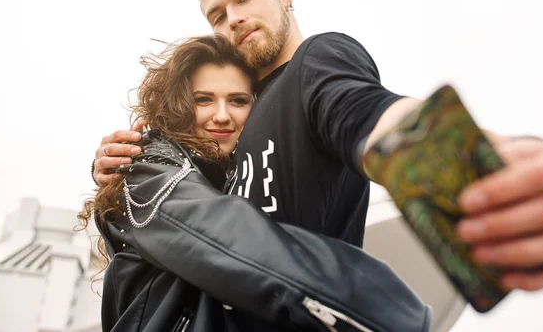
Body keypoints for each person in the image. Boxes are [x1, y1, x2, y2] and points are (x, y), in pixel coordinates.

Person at [93, 0, 543, 306]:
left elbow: (371, 114)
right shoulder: (237, 120)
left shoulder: (316, 62)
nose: (233, 20)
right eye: (217, 16)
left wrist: (497, 165)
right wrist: (114, 166)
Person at [80, 34, 431, 332]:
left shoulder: (234, 177)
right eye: (203, 99)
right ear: (179, 105)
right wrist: (384, 310)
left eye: (238, 101)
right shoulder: (145, 163)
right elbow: (223, 236)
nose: (221, 115)